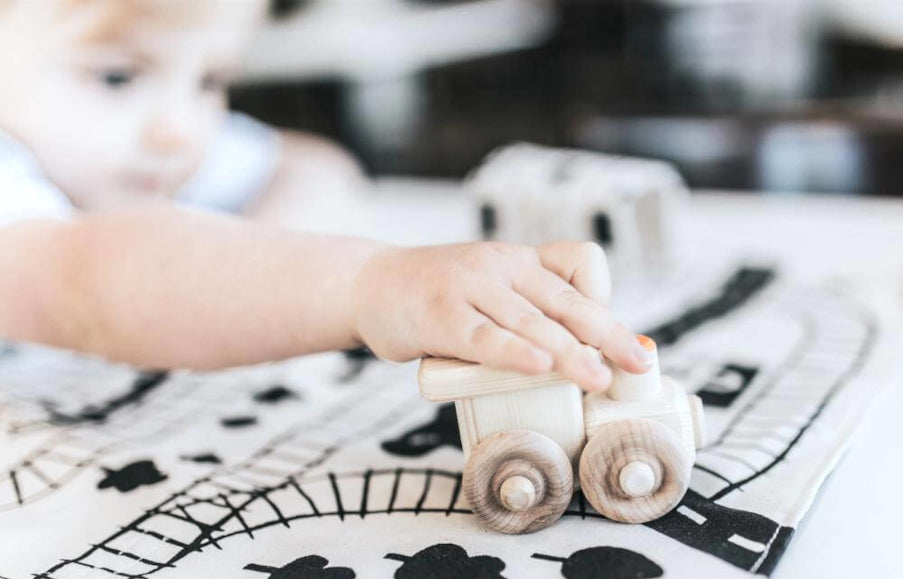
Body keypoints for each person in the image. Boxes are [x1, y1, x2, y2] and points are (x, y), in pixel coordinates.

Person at [0, 0, 654, 392]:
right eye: (116, 76)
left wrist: (251, 263)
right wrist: (366, 286)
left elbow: (317, 166)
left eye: (209, 79)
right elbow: (83, 283)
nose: (179, 129)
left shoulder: (134, 147)